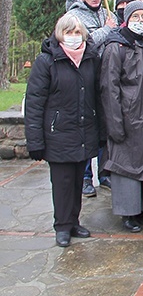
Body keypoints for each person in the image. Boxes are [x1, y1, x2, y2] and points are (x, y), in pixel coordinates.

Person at [25, 13, 101, 247]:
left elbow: (97, 96)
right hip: (58, 134)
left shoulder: (90, 58)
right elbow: (34, 103)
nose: (73, 37)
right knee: (62, 182)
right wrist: (35, 141)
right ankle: (62, 225)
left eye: (77, 32)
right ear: (60, 35)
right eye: (69, 32)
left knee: (78, 180)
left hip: (83, 131)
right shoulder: (46, 62)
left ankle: (74, 221)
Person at [100, 1, 143, 232]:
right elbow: (109, 87)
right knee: (125, 166)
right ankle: (129, 213)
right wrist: (115, 122)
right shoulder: (116, 47)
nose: (140, 21)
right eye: (135, 16)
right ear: (127, 19)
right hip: (125, 116)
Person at [66, 0, 116, 197]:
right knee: (87, 128)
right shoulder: (73, 17)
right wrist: (107, 30)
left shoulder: (108, 15)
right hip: (84, 78)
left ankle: (105, 173)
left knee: (106, 127)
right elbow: (85, 42)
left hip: (106, 78)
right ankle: (86, 177)